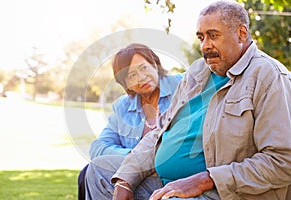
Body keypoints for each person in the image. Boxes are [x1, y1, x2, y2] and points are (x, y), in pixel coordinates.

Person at [85, 1, 291, 200]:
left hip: (225, 192)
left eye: (213, 36)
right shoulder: (197, 72)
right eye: (201, 37)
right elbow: (160, 133)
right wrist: (125, 180)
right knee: (99, 173)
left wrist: (206, 179)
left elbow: (283, 161)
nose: (205, 46)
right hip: (167, 181)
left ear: (241, 33)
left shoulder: (268, 77)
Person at [77, 43, 183, 199]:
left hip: (174, 177)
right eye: (132, 75)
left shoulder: (182, 85)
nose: (141, 77)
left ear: (155, 64)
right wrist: (134, 156)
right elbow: (97, 147)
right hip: (135, 177)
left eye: (144, 68)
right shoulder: (123, 106)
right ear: (126, 84)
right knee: (92, 170)